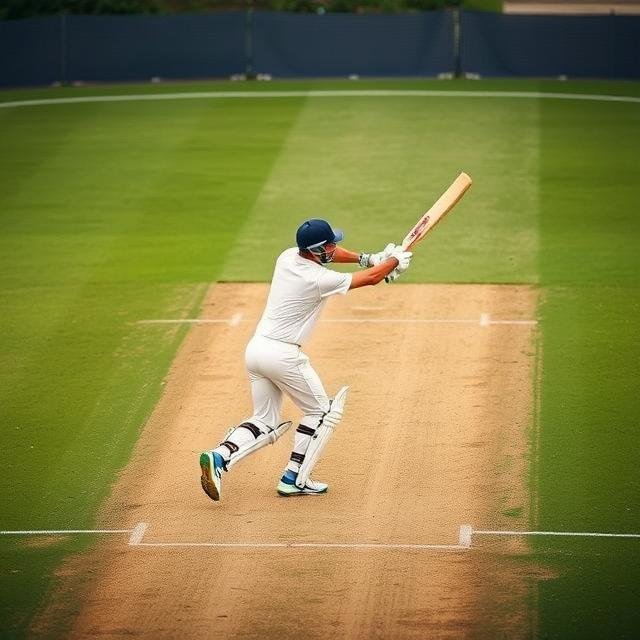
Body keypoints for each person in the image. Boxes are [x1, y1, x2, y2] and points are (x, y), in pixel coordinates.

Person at [199, 218, 412, 501]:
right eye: (329, 244)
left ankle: (219, 456)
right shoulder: (318, 279)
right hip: (283, 355)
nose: (335, 247)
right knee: (322, 413)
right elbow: (372, 279)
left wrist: (369, 258)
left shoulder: (287, 256)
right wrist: (393, 261)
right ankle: (293, 478)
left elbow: (342, 258)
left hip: (256, 349)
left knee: (264, 420)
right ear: (316, 250)